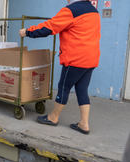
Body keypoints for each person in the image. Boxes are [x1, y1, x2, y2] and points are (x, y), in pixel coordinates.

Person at [19, 0, 101, 134]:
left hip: (76, 59)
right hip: (91, 58)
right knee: (82, 89)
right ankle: (84, 124)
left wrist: (28, 32)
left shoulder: (71, 11)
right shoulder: (94, 11)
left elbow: (49, 27)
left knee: (64, 87)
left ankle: (53, 117)